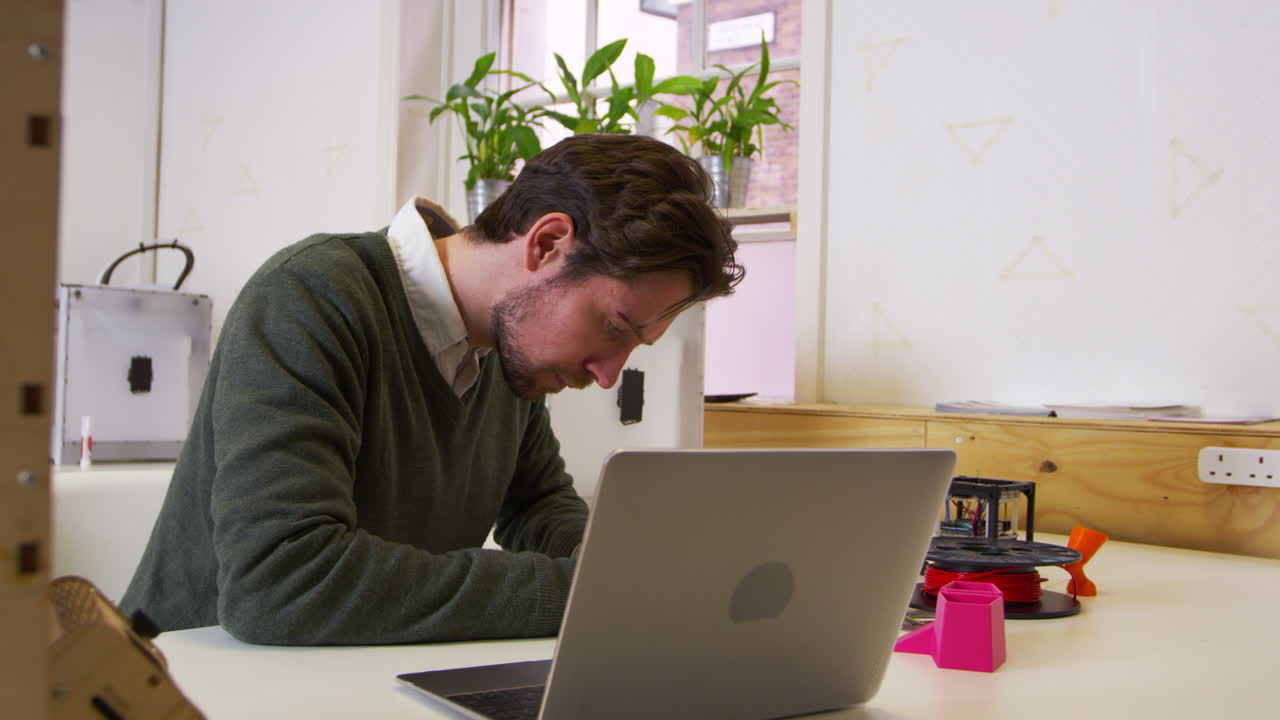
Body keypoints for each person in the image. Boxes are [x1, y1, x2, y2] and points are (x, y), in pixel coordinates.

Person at [120, 133, 744, 645]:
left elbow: (537, 503)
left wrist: (617, 565)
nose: (609, 373)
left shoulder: (506, 347)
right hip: (187, 687)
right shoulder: (311, 297)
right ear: (548, 244)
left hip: (354, 682)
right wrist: (581, 594)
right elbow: (283, 583)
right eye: (614, 327)